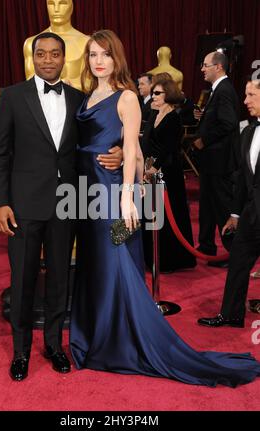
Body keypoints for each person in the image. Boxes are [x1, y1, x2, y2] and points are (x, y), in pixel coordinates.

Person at [69, 29, 260, 387]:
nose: (98, 61)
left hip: (111, 196)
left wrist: (127, 197)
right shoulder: (88, 96)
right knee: (94, 268)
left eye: (105, 55)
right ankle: (97, 337)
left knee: (116, 268)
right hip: (84, 197)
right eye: (93, 54)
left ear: (117, 58)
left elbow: (132, 151)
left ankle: (120, 343)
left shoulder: (125, 97)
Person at [0, 32, 122, 382]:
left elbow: (99, 141)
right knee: (23, 281)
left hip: (67, 204)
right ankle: (20, 352)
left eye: (55, 54)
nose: (48, 60)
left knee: (61, 280)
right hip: (23, 206)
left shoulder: (80, 98)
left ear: (65, 58)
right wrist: (0, 203)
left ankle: (54, 346)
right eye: (42, 54)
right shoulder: (14, 97)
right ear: (34, 58)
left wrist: (121, 150)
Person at [198, 79, 260, 328]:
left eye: (251, 95)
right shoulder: (247, 132)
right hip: (250, 214)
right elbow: (243, 180)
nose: (245, 101)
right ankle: (231, 315)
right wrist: (234, 214)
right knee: (237, 263)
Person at [142, 78, 196, 272]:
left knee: (167, 215)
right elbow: (146, 142)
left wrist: (154, 167)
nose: (152, 96)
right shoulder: (152, 112)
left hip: (167, 174)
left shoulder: (174, 118)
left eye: (157, 94)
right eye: (152, 93)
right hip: (149, 172)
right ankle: (150, 257)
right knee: (150, 214)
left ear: (168, 95)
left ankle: (171, 260)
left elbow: (169, 148)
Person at [193, 52, 240, 267]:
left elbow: (228, 123)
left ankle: (234, 252)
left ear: (218, 67)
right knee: (208, 207)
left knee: (222, 207)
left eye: (205, 65)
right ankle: (207, 248)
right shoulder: (218, 90)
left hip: (220, 162)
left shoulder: (224, 90)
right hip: (211, 162)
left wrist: (204, 139)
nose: (202, 69)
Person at [23, 0, 89, 90]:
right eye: (51, 4)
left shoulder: (86, 42)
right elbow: (30, 82)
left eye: (62, 3)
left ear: (71, 7)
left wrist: (68, 88)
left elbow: (92, 83)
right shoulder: (31, 43)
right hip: (41, 102)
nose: (56, 9)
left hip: (77, 102)